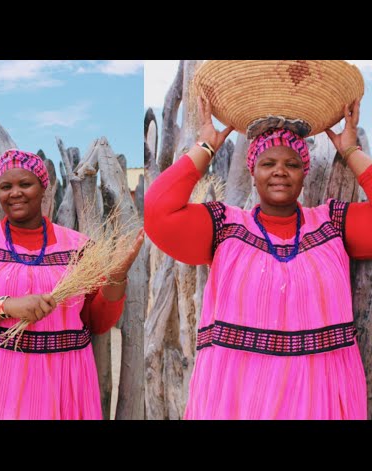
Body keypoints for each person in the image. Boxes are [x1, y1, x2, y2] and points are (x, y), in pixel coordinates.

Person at [145, 96, 372, 419]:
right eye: (268, 163)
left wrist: (350, 151)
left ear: (304, 172)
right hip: (238, 402)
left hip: (318, 401)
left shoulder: (331, 225)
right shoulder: (225, 228)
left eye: (291, 164)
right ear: (253, 171)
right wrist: (206, 146)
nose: (280, 171)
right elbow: (157, 211)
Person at [0, 148, 143, 420]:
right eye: (6, 186)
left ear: (43, 187)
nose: (15, 193)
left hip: (61, 384)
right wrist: (7, 306)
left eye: (25, 184)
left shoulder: (78, 248)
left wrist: (116, 276)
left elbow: (97, 321)